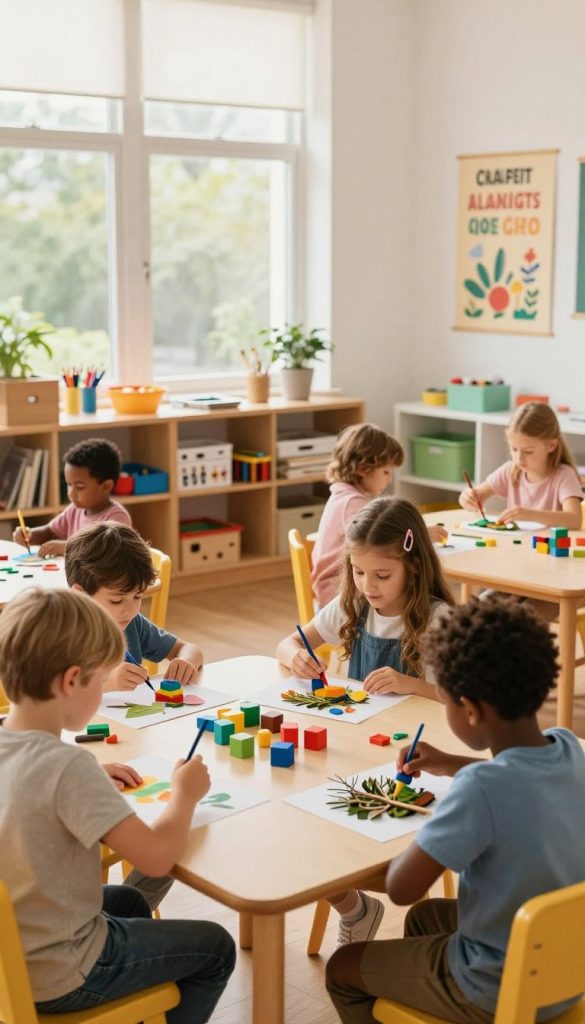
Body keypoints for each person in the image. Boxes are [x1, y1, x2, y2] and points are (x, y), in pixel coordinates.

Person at [326, 594, 585, 1024]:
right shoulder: (569, 747)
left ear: (468, 709)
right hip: (566, 969)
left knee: (342, 969)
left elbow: (402, 889)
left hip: (496, 986)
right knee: (428, 918)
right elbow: (518, 778)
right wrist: (449, 763)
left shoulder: (478, 790)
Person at [0, 587, 235, 1023]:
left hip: (12, 953)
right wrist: (184, 795)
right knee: (216, 948)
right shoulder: (68, 768)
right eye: (100, 679)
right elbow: (157, 857)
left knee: (128, 901)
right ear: (72, 681)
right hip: (62, 971)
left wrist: (88, 774)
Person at [277, 496, 454, 946]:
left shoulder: (437, 620)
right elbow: (288, 643)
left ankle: (360, 905)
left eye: (382, 575)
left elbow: (459, 702)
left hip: (410, 762)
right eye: (358, 572)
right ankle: (354, 907)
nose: (368, 585)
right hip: (352, 746)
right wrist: (297, 656)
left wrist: (410, 683)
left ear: (412, 568)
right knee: (293, 815)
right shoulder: (352, 608)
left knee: (328, 825)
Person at [312, 424, 447, 606]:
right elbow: (375, 539)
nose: (389, 479)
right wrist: (419, 535)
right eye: (386, 472)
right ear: (362, 468)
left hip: (337, 591)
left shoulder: (342, 495)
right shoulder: (352, 503)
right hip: (338, 597)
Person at [65, 522, 203, 692]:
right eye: (116, 601)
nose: (131, 610)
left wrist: (186, 661)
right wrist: (108, 682)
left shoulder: (131, 624)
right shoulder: (61, 633)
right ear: (81, 594)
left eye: (138, 596)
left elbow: (187, 648)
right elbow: (52, 690)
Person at [459, 402, 582, 529]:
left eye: (528, 451)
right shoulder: (510, 470)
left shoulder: (563, 475)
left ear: (551, 445)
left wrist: (529, 515)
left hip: (549, 548)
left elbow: (574, 520)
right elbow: (476, 496)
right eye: (514, 449)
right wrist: (468, 498)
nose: (519, 458)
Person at [13, 438, 132, 558]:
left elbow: (104, 551)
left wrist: (66, 547)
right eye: (69, 484)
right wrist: (29, 535)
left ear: (106, 486)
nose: (71, 493)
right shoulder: (74, 510)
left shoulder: (117, 518)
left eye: (80, 487)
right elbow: (50, 532)